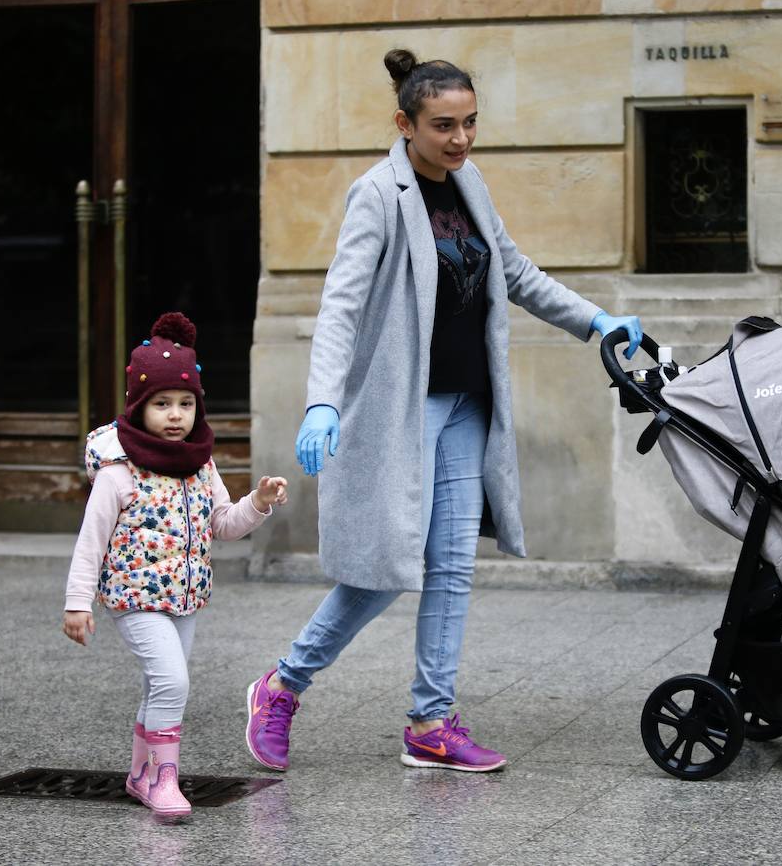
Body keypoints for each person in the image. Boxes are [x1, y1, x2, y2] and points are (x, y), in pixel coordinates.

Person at [244, 49, 643, 775]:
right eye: (443, 126)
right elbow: (340, 304)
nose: (460, 140)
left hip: (467, 406)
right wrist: (322, 401)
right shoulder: (378, 194)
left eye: (469, 124)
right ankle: (281, 686)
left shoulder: (470, 183)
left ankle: (431, 720)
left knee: (451, 566)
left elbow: (513, 271)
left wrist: (596, 321)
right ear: (405, 123)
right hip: (402, 411)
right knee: (385, 567)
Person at [64, 312, 288, 819]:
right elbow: (90, 539)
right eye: (161, 404)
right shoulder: (118, 472)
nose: (174, 415)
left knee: (159, 684)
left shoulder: (199, 464)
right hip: (135, 597)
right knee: (172, 682)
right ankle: (166, 779)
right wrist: (77, 602)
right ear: (139, 408)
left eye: (185, 404)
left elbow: (224, 524)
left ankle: (142, 774)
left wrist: (259, 499)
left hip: (184, 598)